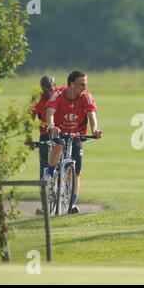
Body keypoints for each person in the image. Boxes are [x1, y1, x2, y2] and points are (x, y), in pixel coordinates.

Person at [43, 71, 103, 214]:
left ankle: (73, 203)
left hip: (76, 135)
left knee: (77, 171)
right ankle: (50, 172)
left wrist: (95, 129)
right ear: (71, 84)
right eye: (81, 84)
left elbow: (92, 115)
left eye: (86, 84)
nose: (85, 87)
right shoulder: (58, 94)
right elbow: (50, 112)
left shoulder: (86, 96)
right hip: (58, 132)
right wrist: (51, 126)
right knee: (59, 145)